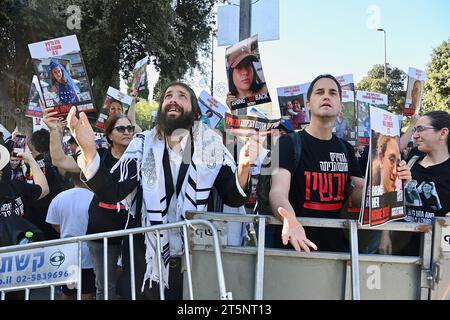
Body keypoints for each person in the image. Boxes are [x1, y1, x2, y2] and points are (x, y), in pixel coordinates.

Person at [67, 82, 257, 300]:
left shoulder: (211, 145)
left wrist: (243, 168)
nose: (173, 99)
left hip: (196, 260)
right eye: (168, 95)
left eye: (181, 96)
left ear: (195, 111)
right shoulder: (142, 144)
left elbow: (232, 197)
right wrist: (89, 151)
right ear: (162, 107)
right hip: (147, 264)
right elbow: (112, 191)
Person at [268, 74, 411, 253]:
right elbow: (277, 192)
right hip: (294, 247)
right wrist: (290, 220)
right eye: (319, 92)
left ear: (340, 107)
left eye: (333, 93)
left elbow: (360, 193)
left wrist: (392, 181)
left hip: (336, 249)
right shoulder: (286, 143)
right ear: (308, 105)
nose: (326, 96)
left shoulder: (345, 149)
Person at [391, 111, 450, 256]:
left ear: (442, 133)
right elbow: (393, 204)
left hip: (438, 255)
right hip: (402, 249)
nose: (415, 135)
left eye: (421, 129)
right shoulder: (411, 162)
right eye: (415, 130)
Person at [46, 174, 96, 300]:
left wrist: (68, 230)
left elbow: (55, 224)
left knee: (68, 291)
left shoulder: (59, 197)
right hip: (89, 253)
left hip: (67, 253)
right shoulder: (95, 198)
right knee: (86, 292)